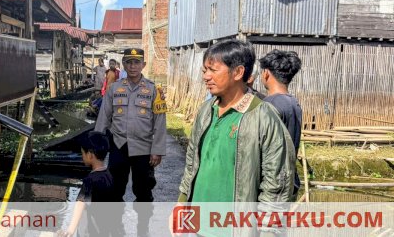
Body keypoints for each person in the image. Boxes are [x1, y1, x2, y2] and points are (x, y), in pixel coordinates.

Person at [177, 39, 295, 235]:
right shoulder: (206, 110)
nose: (206, 77)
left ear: (238, 72)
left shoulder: (264, 117)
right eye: (204, 70)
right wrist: (182, 203)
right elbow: (191, 162)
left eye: (213, 70)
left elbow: (276, 184)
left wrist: (269, 231)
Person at [95, 48, 167, 236]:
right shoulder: (114, 88)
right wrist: (97, 145)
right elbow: (103, 117)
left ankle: (143, 227)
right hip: (119, 146)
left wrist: (157, 150)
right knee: (114, 189)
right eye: (129, 62)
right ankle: (115, 227)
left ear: (143, 65)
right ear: (124, 65)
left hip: (144, 149)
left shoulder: (154, 90)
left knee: (143, 190)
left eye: (137, 62)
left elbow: (160, 122)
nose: (133, 66)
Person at [259, 49, 303, 196]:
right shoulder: (293, 103)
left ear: (266, 73)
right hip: (289, 183)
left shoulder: (268, 105)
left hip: (272, 187)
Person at [57, 131, 114, 237]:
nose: (82, 156)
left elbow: (80, 204)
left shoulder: (89, 180)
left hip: (89, 231)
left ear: (90, 155)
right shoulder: (109, 175)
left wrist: (69, 231)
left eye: (82, 153)